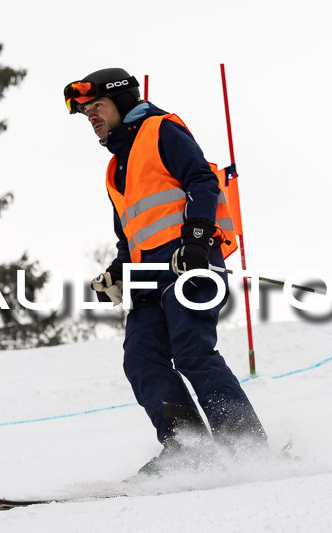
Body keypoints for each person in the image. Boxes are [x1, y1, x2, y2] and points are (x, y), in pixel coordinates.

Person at [63, 68, 267, 474]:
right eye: (86, 113)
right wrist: (117, 272)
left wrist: (194, 240)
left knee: (192, 351)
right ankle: (189, 449)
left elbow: (202, 182)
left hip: (189, 262)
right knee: (141, 360)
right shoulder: (114, 168)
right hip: (147, 278)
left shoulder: (161, 130)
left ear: (122, 101)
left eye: (97, 107)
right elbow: (130, 233)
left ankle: (247, 448)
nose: (92, 117)